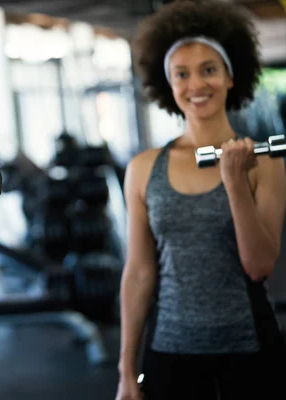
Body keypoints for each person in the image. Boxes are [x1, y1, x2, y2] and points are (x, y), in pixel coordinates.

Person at [116, 1, 286, 399]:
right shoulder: (143, 168)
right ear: (168, 84)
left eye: (209, 69)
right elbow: (139, 272)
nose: (196, 85)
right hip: (169, 350)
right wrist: (126, 370)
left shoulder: (264, 163)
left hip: (250, 347)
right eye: (182, 74)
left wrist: (234, 182)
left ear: (230, 76)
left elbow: (260, 266)